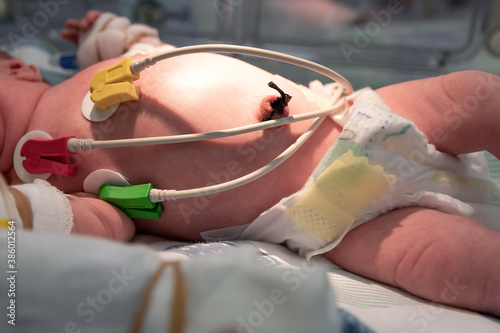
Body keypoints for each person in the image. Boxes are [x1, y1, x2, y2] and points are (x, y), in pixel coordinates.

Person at [1, 10, 499, 318]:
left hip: (351, 118)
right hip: (330, 214)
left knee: (475, 95)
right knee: (456, 267)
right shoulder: (52, 189)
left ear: (16, 67)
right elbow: (104, 226)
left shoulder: (90, 73)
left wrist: (104, 33)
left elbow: (142, 44)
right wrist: (23, 215)